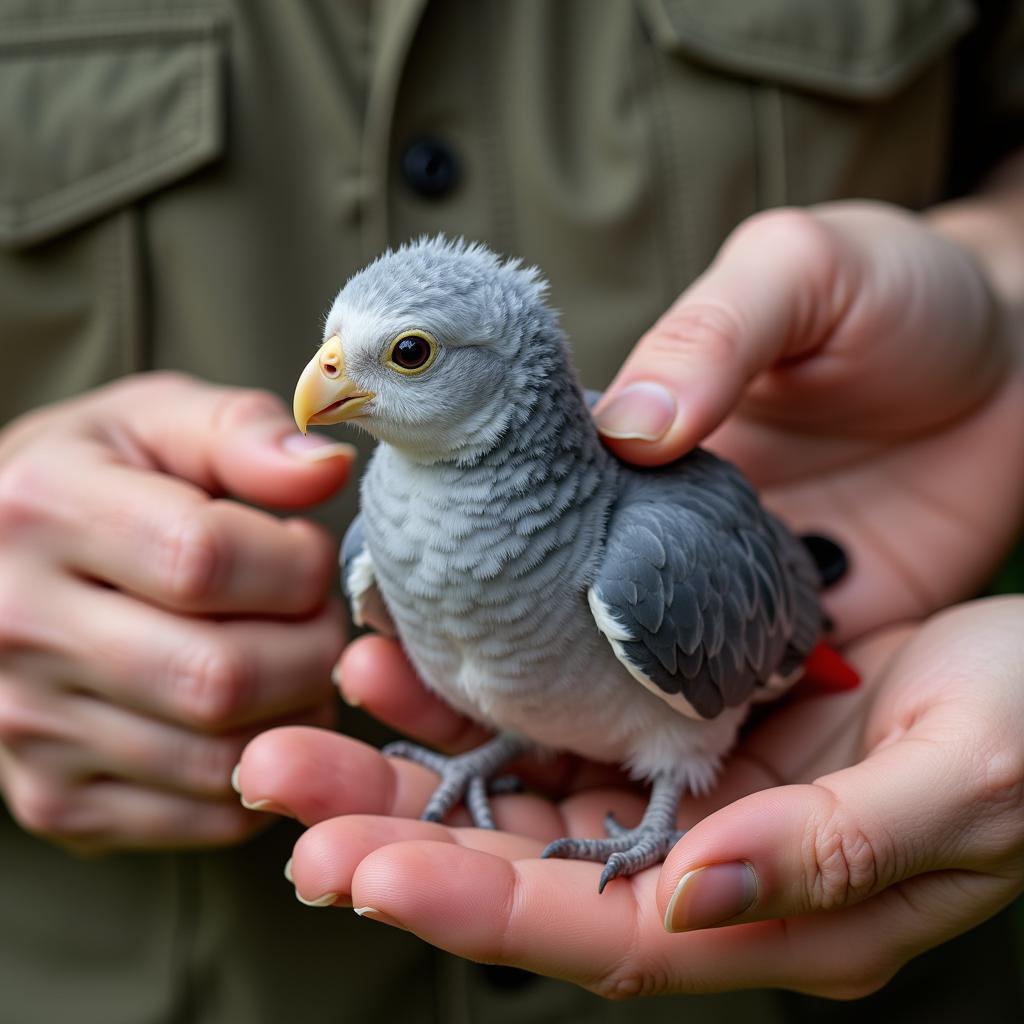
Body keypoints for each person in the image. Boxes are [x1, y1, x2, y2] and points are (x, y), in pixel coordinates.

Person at [1, 1, 1022, 1021]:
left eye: (405, 356)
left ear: (504, 382)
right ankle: (499, 749)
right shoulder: (379, 540)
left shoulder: (641, 558)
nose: (320, 384)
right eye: (336, 348)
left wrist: (1000, 301)